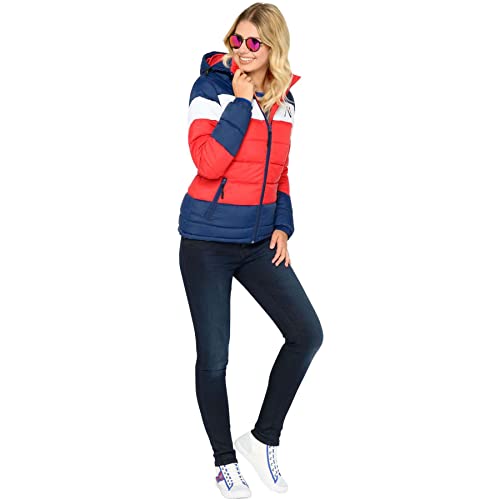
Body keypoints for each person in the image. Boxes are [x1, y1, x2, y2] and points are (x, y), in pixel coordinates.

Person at [178, 3, 323, 498]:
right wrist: (239, 104)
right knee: (215, 357)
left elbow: (278, 171)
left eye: (253, 42)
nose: (241, 49)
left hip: (259, 242)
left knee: (306, 334)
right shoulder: (210, 89)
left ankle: (262, 440)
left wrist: (283, 225)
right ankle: (225, 462)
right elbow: (208, 162)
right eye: (236, 39)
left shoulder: (285, 100)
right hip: (206, 242)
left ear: (273, 47)